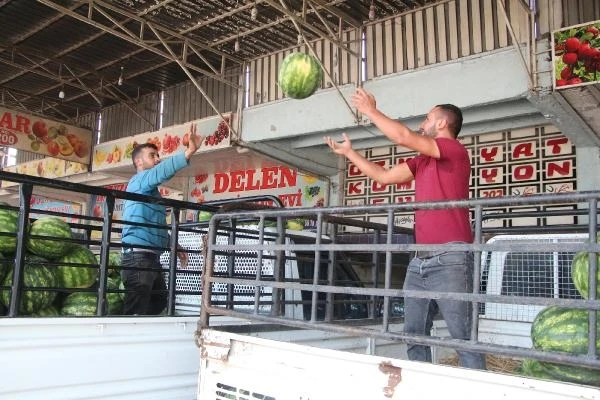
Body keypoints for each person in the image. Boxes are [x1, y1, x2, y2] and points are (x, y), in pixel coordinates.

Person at [324, 88, 486, 370]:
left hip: (452, 257)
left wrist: (371, 111)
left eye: (427, 117)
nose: (423, 123)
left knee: (463, 339)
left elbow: (402, 136)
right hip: (420, 260)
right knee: (413, 335)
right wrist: (350, 153)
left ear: (442, 123)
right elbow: (384, 178)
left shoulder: (453, 150)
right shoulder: (422, 161)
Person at [120, 123, 203, 315]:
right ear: (139, 162)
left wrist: (175, 245)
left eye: (158, 156)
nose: (158, 159)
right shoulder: (139, 180)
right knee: (136, 310)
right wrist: (188, 151)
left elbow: (156, 227)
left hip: (150, 257)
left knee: (157, 305)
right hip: (138, 257)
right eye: (152, 156)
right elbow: (160, 172)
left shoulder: (151, 192)